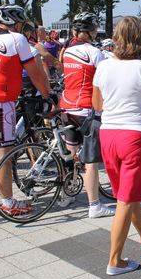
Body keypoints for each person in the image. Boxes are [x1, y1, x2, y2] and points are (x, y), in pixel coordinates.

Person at [92, 16, 141, 276]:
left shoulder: (103, 66)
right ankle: (115, 261)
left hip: (108, 134)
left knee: (127, 194)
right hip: (133, 137)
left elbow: (97, 105)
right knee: (125, 201)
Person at [0, 4, 51, 214]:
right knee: (2, 151)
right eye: (22, 23)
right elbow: (33, 72)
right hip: (0, 101)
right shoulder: (17, 39)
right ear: (17, 22)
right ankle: (8, 202)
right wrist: (47, 95)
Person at [59, 11, 114, 218]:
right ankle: (94, 205)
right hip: (86, 108)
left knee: (70, 153)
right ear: (91, 31)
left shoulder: (67, 51)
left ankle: (67, 193)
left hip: (67, 105)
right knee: (91, 160)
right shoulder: (94, 52)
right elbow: (104, 82)